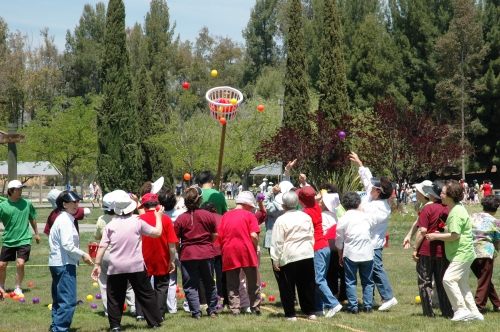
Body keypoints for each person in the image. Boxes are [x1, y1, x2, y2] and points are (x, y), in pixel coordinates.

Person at [91, 190, 164, 331]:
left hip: (116, 266)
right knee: (145, 293)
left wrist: (97, 264)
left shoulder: (110, 225)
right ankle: (154, 322)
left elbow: (102, 247)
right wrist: (159, 217)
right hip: (135, 265)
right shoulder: (137, 222)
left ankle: (115, 325)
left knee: (114, 297)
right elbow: (157, 233)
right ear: (131, 209)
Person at [426, 180, 482, 322]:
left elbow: (455, 235)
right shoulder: (457, 208)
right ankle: (475, 313)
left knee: (448, 279)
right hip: (465, 253)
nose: (440, 195)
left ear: (450, 196)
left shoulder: (455, 212)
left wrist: (435, 236)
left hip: (461, 253)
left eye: (443, 193)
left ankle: (460, 309)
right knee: (462, 284)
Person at [349, 152, 398, 311]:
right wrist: (360, 164)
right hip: (367, 242)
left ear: (379, 192)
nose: (370, 187)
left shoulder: (382, 208)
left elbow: (367, 222)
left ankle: (389, 297)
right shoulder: (373, 196)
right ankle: (372, 299)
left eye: (374, 187)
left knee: (376, 269)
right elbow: (367, 179)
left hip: (374, 244)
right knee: (369, 272)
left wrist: (358, 208)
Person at [48, 191, 94, 332]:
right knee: (67, 301)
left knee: (59, 299)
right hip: (64, 264)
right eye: (72, 202)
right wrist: (83, 255)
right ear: (64, 204)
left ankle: (56, 326)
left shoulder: (64, 218)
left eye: (77, 202)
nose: (76, 205)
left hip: (57, 263)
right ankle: (60, 329)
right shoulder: (65, 220)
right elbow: (67, 245)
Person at [297, 186, 343, 318]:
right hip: (324, 247)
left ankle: (334, 304)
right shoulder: (316, 207)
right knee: (318, 278)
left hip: (316, 247)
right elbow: (314, 200)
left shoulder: (306, 213)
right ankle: (318, 308)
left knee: (318, 280)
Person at [174, 186, 218, 318]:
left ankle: (196, 312)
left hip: (188, 254)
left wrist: (180, 250)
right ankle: (212, 310)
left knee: (190, 285)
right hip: (206, 253)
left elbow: (176, 240)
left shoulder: (181, 219)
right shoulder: (208, 215)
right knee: (209, 282)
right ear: (200, 200)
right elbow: (215, 235)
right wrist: (207, 243)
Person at [271, 191, 316, 321]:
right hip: (306, 253)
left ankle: (291, 314)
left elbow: (278, 241)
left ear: (283, 205)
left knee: (287, 286)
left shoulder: (281, 219)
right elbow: (311, 234)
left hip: (289, 255)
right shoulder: (306, 217)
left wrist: (275, 259)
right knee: (307, 284)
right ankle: (310, 311)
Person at [413, 182, 454, 318]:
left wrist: (415, 248)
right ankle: (447, 311)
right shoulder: (449, 209)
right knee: (441, 281)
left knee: (424, 281)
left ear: (433, 195)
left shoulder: (428, 208)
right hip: (442, 248)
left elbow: (422, 230)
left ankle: (428, 312)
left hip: (426, 249)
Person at [218, 191, 261, 315]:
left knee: (232, 283)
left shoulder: (226, 215)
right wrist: (255, 245)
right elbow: (253, 235)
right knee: (252, 282)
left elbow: (220, 236)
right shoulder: (249, 216)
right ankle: (255, 308)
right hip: (247, 250)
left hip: (229, 250)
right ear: (247, 205)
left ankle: (235, 309)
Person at [94, 192, 136, 317]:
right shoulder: (124, 219)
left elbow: (97, 236)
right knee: (129, 282)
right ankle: (133, 306)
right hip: (123, 252)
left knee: (105, 283)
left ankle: (108, 311)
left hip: (106, 253)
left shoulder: (102, 220)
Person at [137, 193, 178, 320]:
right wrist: (172, 260)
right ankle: (159, 314)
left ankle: (141, 313)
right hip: (162, 257)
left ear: (143, 205)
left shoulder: (139, 220)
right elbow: (172, 243)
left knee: (142, 286)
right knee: (161, 286)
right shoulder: (165, 219)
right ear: (158, 205)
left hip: (143, 258)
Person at [336, 191, 375, 314]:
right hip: (367, 252)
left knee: (351, 281)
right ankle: (368, 305)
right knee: (368, 280)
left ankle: (353, 306)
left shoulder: (343, 219)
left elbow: (339, 240)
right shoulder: (366, 216)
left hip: (351, 253)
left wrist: (339, 255)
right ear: (358, 203)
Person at [0, 180, 40, 295]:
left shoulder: (27, 203)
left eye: (21, 189)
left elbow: (32, 218)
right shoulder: (2, 206)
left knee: (20, 263)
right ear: (10, 191)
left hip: (24, 238)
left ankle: (18, 287)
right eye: (17, 189)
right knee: (2, 265)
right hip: (8, 239)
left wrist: (36, 233)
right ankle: (1, 287)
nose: (20, 191)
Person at [469, 195, 500, 313]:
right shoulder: (496, 222)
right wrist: (495, 253)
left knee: (484, 280)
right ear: (496, 208)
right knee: (484, 281)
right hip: (486, 254)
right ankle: (478, 307)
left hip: (470, 252)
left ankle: (497, 304)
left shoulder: (472, 216)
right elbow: (498, 241)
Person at [158, 188, 186, 314]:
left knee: (170, 280)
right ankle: (188, 305)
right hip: (180, 248)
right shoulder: (181, 214)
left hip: (166, 250)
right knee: (187, 278)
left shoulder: (159, 216)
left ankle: (172, 307)